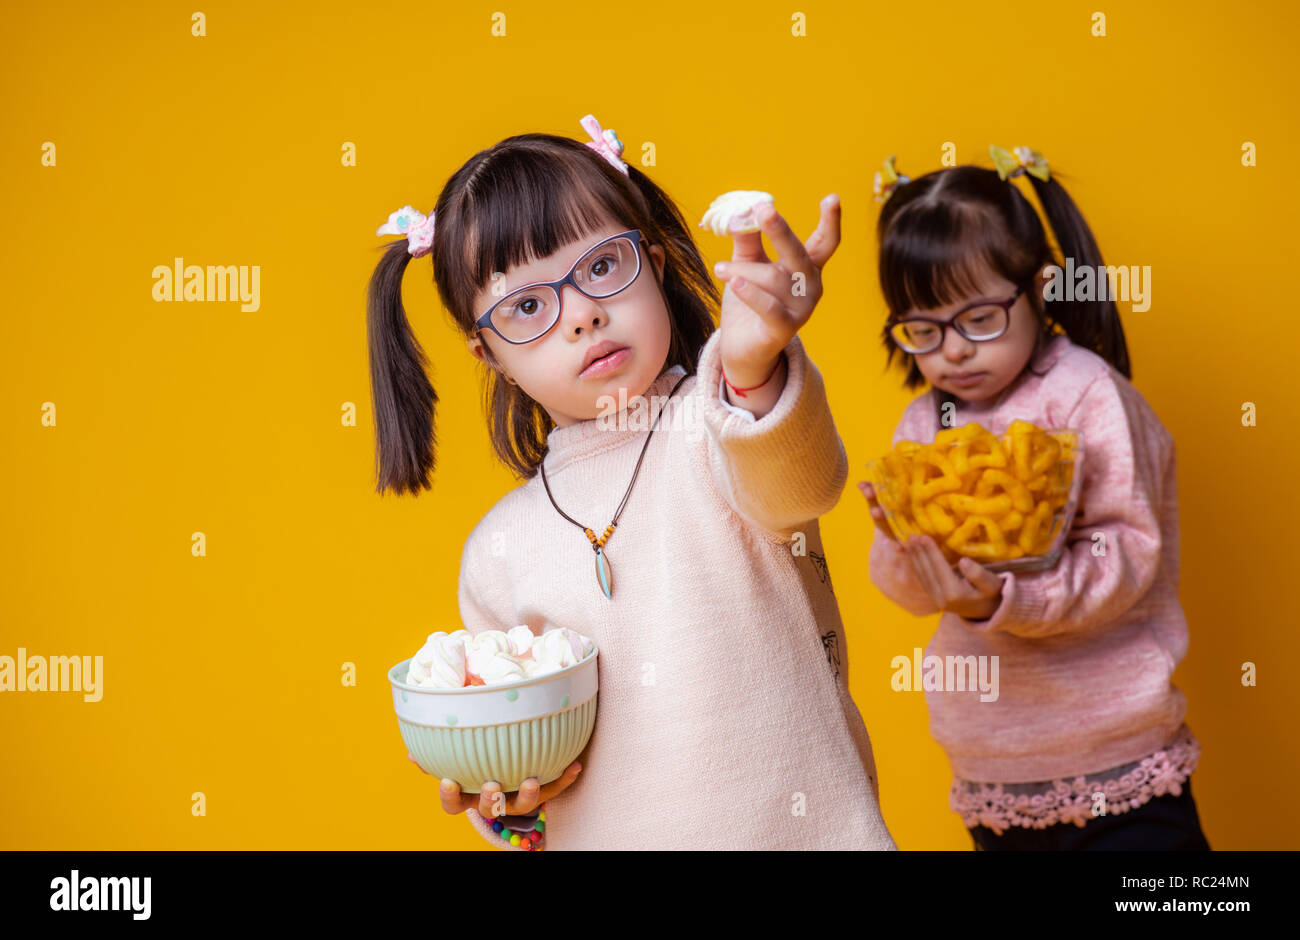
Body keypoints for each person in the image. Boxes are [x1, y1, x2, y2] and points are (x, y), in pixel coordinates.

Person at [369, 113, 895, 850]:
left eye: (603, 268)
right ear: (486, 354)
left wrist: (752, 365)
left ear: (652, 263)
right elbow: (528, 798)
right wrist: (515, 807)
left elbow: (802, 484)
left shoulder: (720, 418)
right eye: (527, 307)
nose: (582, 313)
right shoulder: (496, 551)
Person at [860, 147, 1210, 850]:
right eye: (923, 330)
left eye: (979, 319)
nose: (953, 352)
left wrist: (999, 602)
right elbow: (905, 580)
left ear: (1040, 288)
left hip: (1115, 756)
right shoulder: (929, 423)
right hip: (992, 762)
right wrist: (906, 552)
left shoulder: (1086, 394)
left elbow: (1127, 554)